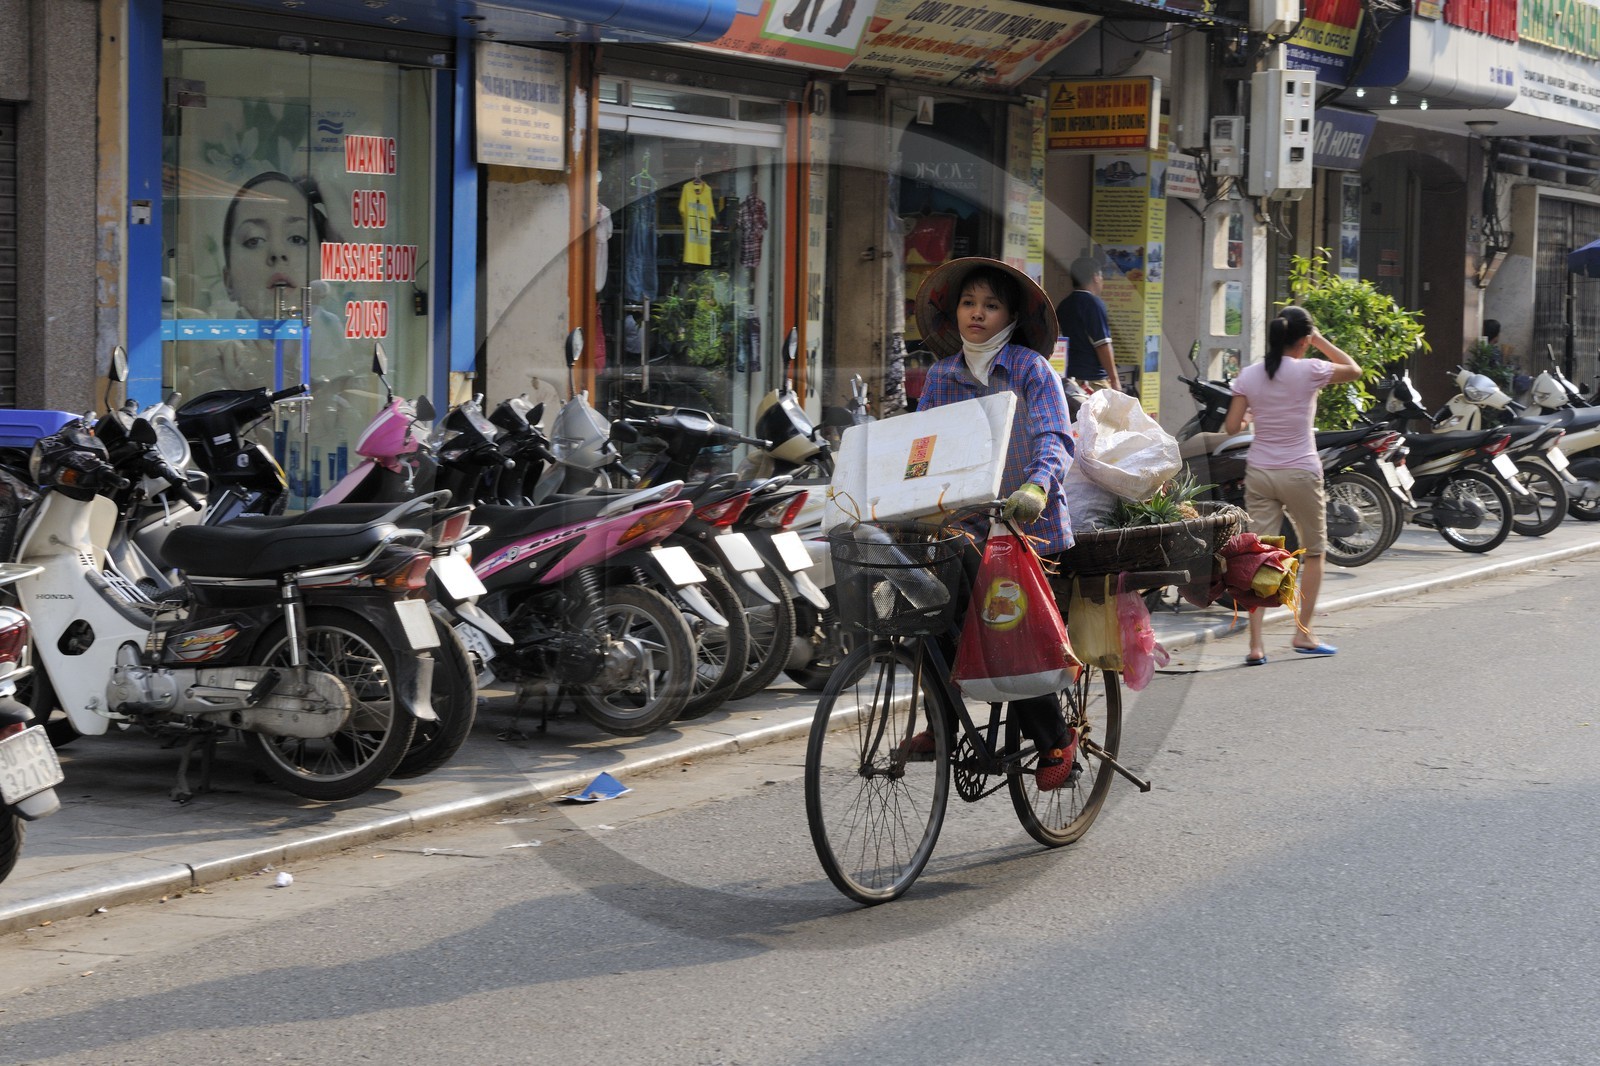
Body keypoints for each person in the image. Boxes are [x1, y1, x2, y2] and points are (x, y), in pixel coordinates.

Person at [914, 258, 1079, 791]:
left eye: (989, 305)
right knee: (924, 611)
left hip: (1033, 532)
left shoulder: (1032, 370)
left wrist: (1036, 485)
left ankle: (1057, 738)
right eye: (968, 303)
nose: (977, 314)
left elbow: (1056, 437)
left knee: (1006, 628)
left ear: (1009, 314)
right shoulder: (941, 376)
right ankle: (941, 719)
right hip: (964, 526)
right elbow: (924, 446)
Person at [1223, 305, 1363, 664]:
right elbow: (1354, 370)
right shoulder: (1310, 369)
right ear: (1302, 340)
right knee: (1314, 551)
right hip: (1301, 471)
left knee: (1260, 556)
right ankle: (1303, 633)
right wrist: (1320, 341)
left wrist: (1255, 413)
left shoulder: (1250, 375)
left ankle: (1255, 645)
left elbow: (1231, 427)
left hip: (1260, 474)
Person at [1055, 256, 1121, 393]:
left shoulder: (1064, 305)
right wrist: (1115, 380)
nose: (1102, 281)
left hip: (1069, 381)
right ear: (1095, 276)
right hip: (1092, 381)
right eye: (1101, 276)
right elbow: (1102, 344)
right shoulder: (1094, 304)